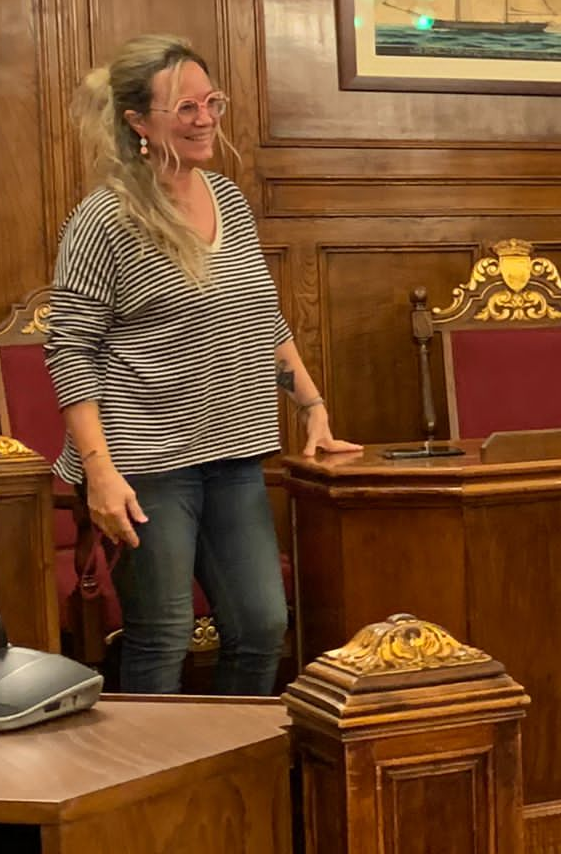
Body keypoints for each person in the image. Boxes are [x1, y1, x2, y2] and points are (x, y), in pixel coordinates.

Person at [46, 35, 358, 695]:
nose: (206, 118)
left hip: (233, 453)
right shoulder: (103, 220)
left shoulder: (227, 199)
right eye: (185, 107)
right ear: (137, 122)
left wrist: (314, 406)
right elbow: (69, 348)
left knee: (261, 625)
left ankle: (230, 783)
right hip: (145, 466)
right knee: (161, 637)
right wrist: (100, 475)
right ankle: (152, 794)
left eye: (210, 102)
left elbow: (258, 318)